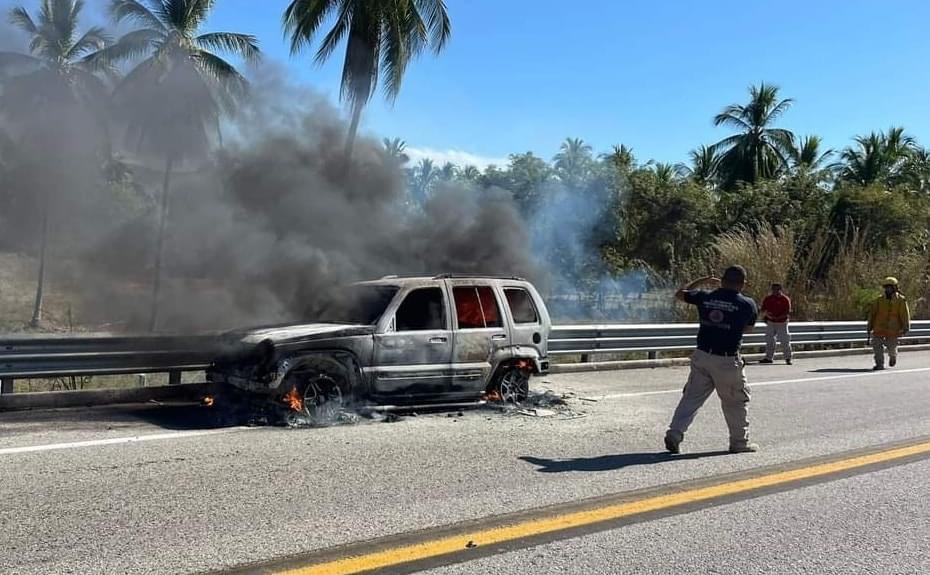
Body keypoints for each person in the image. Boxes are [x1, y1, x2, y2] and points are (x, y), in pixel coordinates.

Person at [665, 265, 759, 455]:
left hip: (702, 356)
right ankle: (739, 443)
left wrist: (702, 281)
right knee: (735, 402)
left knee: (691, 397)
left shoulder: (706, 296)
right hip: (726, 359)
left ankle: (675, 432)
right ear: (742, 284)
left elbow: (680, 294)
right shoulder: (747, 304)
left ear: (722, 280)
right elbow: (747, 330)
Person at [867, 277, 910, 371]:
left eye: (890, 287)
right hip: (879, 328)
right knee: (876, 347)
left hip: (893, 329)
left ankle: (893, 357)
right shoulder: (879, 300)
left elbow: (904, 314)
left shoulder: (901, 300)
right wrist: (869, 326)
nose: (888, 289)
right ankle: (879, 364)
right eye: (886, 287)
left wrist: (906, 327)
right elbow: (872, 314)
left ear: (895, 288)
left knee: (892, 347)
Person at [759, 282, 792, 365]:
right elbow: (763, 309)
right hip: (771, 321)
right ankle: (768, 358)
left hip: (782, 322)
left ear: (780, 290)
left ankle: (788, 358)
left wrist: (779, 317)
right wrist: (767, 315)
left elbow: (787, 312)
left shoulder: (785, 299)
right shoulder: (768, 298)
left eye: (777, 289)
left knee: (785, 340)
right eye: (773, 289)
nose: (775, 291)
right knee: (769, 340)